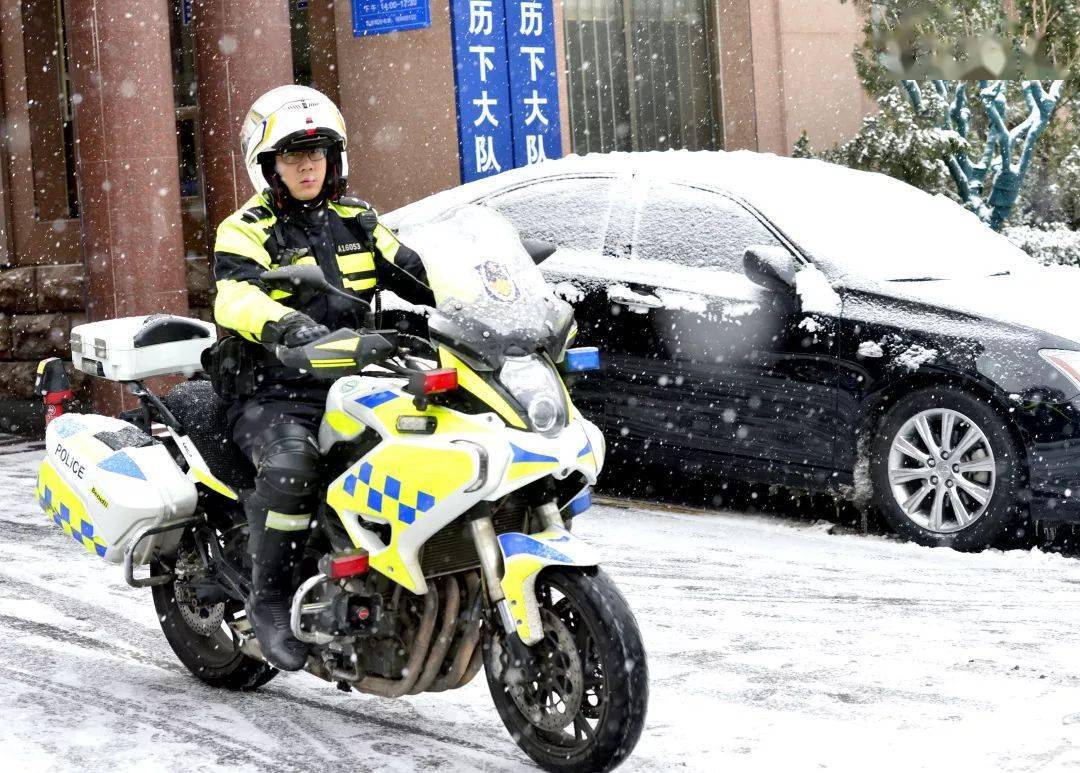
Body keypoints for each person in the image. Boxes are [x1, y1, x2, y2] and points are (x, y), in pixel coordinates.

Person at [211, 85, 434, 671]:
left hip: (356, 377)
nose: (307, 164)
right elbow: (234, 297)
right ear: (268, 166)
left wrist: (484, 294)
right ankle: (269, 600)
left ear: (335, 157)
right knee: (292, 468)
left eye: (317, 151)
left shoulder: (358, 220)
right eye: (291, 154)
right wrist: (284, 326)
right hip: (273, 388)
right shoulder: (246, 229)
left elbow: (417, 274)